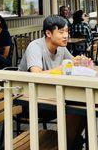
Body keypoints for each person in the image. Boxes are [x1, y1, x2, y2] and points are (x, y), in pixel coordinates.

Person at [19, 15, 85, 149]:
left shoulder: (60, 47)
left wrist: (78, 61)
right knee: (76, 107)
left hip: (52, 95)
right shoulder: (35, 47)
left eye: (67, 31)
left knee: (85, 104)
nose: (65, 35)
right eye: (61, 32)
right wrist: (60, 69)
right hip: (30, 100)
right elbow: (36, 75)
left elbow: (72, 62)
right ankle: (68, 144)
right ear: (48, 33)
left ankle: (71, 142)